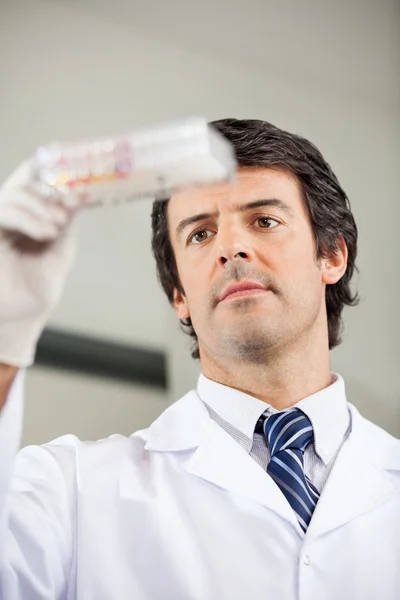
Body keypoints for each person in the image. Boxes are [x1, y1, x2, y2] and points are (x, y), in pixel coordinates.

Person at [0, 119, 399, 600]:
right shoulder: (72, 491)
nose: (231, 247)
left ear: (332, 255)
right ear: (179, 296)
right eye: (200, 234)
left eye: (264, 220)